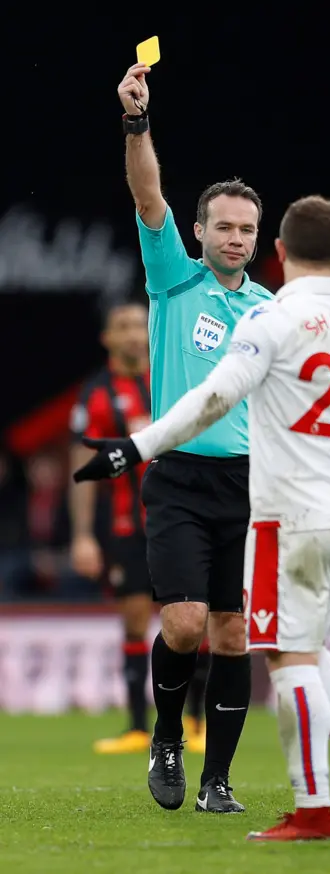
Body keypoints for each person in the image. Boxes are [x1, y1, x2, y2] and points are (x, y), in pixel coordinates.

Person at [73, 194, 330, 841]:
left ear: (279, 251)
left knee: (285, 657)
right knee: (304, 646)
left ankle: (315, 801)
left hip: (285, 512)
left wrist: (136, 446)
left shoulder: (269, 318)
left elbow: (214, 397)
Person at [116, 62, 273, 813]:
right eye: (224, 227)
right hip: (177, 475)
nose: (236, 238)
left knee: (234, 634)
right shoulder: (174, 279)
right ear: (200, 231)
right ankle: (167, 739)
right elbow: (147, 193)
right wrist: (138, 122)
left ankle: (218, 783)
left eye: (247, 229)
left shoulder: (275, 309)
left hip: (247, 482)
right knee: (182, 625)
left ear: (259, 236)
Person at [69, 303, 156, 752]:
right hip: (128, 526)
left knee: (196, 620)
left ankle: (196, 724)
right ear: (107, 338)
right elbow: (81, 468)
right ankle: (139, 727)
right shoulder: (97, 395)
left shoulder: (170, 378)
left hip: (181, 517)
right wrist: (83, 534)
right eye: (123, 327)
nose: (133, 335)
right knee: (136, 621)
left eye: (139, 325)